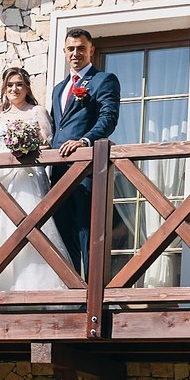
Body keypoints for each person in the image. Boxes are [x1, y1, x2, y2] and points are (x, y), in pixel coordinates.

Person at [0, 66, 73, 290]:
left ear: (26, 88)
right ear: (4, 90)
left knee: (31, 229)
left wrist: (26, 147)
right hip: (0, 182)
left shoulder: (37, 112)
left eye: (19, 84)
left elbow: (48, 144)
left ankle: (35, 286)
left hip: (28, 179)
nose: (14, 89)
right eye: (9, 85)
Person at [49, 28, 122, 273]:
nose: (76, 53)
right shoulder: (59, 88)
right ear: (64, 52)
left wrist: (85, 140)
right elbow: (56, 128)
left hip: (87, 170)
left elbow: (108, 118)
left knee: (88, 234)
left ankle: (91, 298)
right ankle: (71, 296)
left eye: (81, 48)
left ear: (91, 50)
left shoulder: (104, 80)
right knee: (62, 233)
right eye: (71, 48)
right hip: (58, 171)